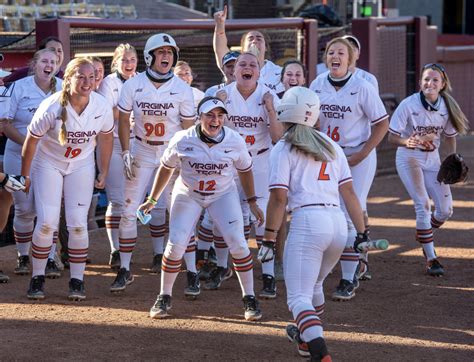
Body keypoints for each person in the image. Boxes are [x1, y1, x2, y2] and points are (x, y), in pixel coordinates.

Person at [259, 86, 368, 361]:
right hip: (338, 225)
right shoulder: (331, 145)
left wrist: (269, 239)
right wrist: (363, 232)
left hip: (309, 223)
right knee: (315, 285)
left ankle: (320, 352)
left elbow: (278, 199)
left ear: (285, 112)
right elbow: (350, 194)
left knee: (297, 299)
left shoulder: (283, 148)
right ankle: (306, 343)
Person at [138, 96, 264, 321]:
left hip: (222, 194)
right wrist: (153, 199)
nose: (215, 120)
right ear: (199, 117)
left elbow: (245, 169)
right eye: (210, 115)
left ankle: (250, 298)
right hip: (189, 193)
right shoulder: (182, 139)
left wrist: (252, 201)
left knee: (237, 241)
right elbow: (166, 168)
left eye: (220, 115)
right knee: (176, 242)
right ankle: (164, 296)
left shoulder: (234, 140)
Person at [21, 57, 114, 300]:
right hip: (48, 163)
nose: (86, 82)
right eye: (80, 76)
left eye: (91, 77)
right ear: (69, 79)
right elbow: (31, 142)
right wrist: (24, 175)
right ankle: (37, 278)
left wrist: (103, 169)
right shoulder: (52, 106)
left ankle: (77, 281)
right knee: (47, 223)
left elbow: (106, 137)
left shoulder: (101, 105)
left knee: (78, 224)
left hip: (81, 165)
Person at [111, 33, 195, 292]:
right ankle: (125, 268)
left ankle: (192, 271)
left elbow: (188, 126)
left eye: (170, 52)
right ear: (150, 56)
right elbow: (123, 119)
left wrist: (187, 158)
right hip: (143, 150)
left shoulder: (182, 89)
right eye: (161, 52)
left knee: (180, 212)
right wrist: (125, 151)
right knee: (128, 210)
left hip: (171, 155)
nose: (166, 56)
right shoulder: (133, 84)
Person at [309, 37, 389, 301]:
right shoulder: (317, 84)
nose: (335, 56)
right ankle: (352, 259)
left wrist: (363, 153)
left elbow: (382, 123)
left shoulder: (363, 87)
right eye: (331, 52)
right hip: (329, 156)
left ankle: (348, 277)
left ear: (351, 59)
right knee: (327, 209)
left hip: (357, 156)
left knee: (348, 211)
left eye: (341, 52)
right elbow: (311, 120)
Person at [197, 51, 282, 298]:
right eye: (242, 64)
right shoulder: (221, 95)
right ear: (233, 71)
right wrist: (218, 107)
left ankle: (267, 276)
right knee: (224, 216)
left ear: (259, 71)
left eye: (252, 65)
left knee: (262, 218)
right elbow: (207, 131)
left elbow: (277, 137)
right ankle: (222, 268)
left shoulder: (269, 95)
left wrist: (271, 110)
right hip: (230, 162)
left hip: (260, 160)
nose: (247, 68)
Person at [388, 63, 469, 276]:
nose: (429, 83)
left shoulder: (446, 107)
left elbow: (450, 136)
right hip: (409, 158)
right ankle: (431, 258)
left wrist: (451, 159)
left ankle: (424, 234)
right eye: (426, 79)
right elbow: (392, 137)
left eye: (435, 80)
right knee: (422, 205)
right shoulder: (408, 104)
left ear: (442, 85)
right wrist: (408, 142)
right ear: (420, 82)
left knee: (445, 210)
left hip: (432, 161)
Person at [3, 49, 63, 278]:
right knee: (24, 208)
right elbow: (5, 124)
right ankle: (23, 256)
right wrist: (30, 143)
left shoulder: (64, 87)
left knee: (48, 209)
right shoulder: (19, 88)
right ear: (34, 64)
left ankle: (49, 256)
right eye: (45, 61)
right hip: (18, 155)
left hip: (51, 158)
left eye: (54, 62)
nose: (49, 65)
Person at [97, 43, 138, 270]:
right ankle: (116, 249)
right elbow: (106, 112)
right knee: (117, 200)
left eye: (131, 60)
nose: (128, 64)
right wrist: (126, 110)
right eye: (124, 60)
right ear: (116, 62)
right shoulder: (108, 83)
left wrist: (124, 110)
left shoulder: (142, 80)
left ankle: (153, 252)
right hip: (111, 142)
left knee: (134, 200)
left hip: (137, 143)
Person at [213, 5, 284, 93]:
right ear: (243, 47)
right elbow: (220, 49)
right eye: (250, 39)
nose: (254, 41)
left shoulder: (279, 72)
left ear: (266, 47)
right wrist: (220, 24)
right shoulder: (234, 66)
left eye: (259, 38)